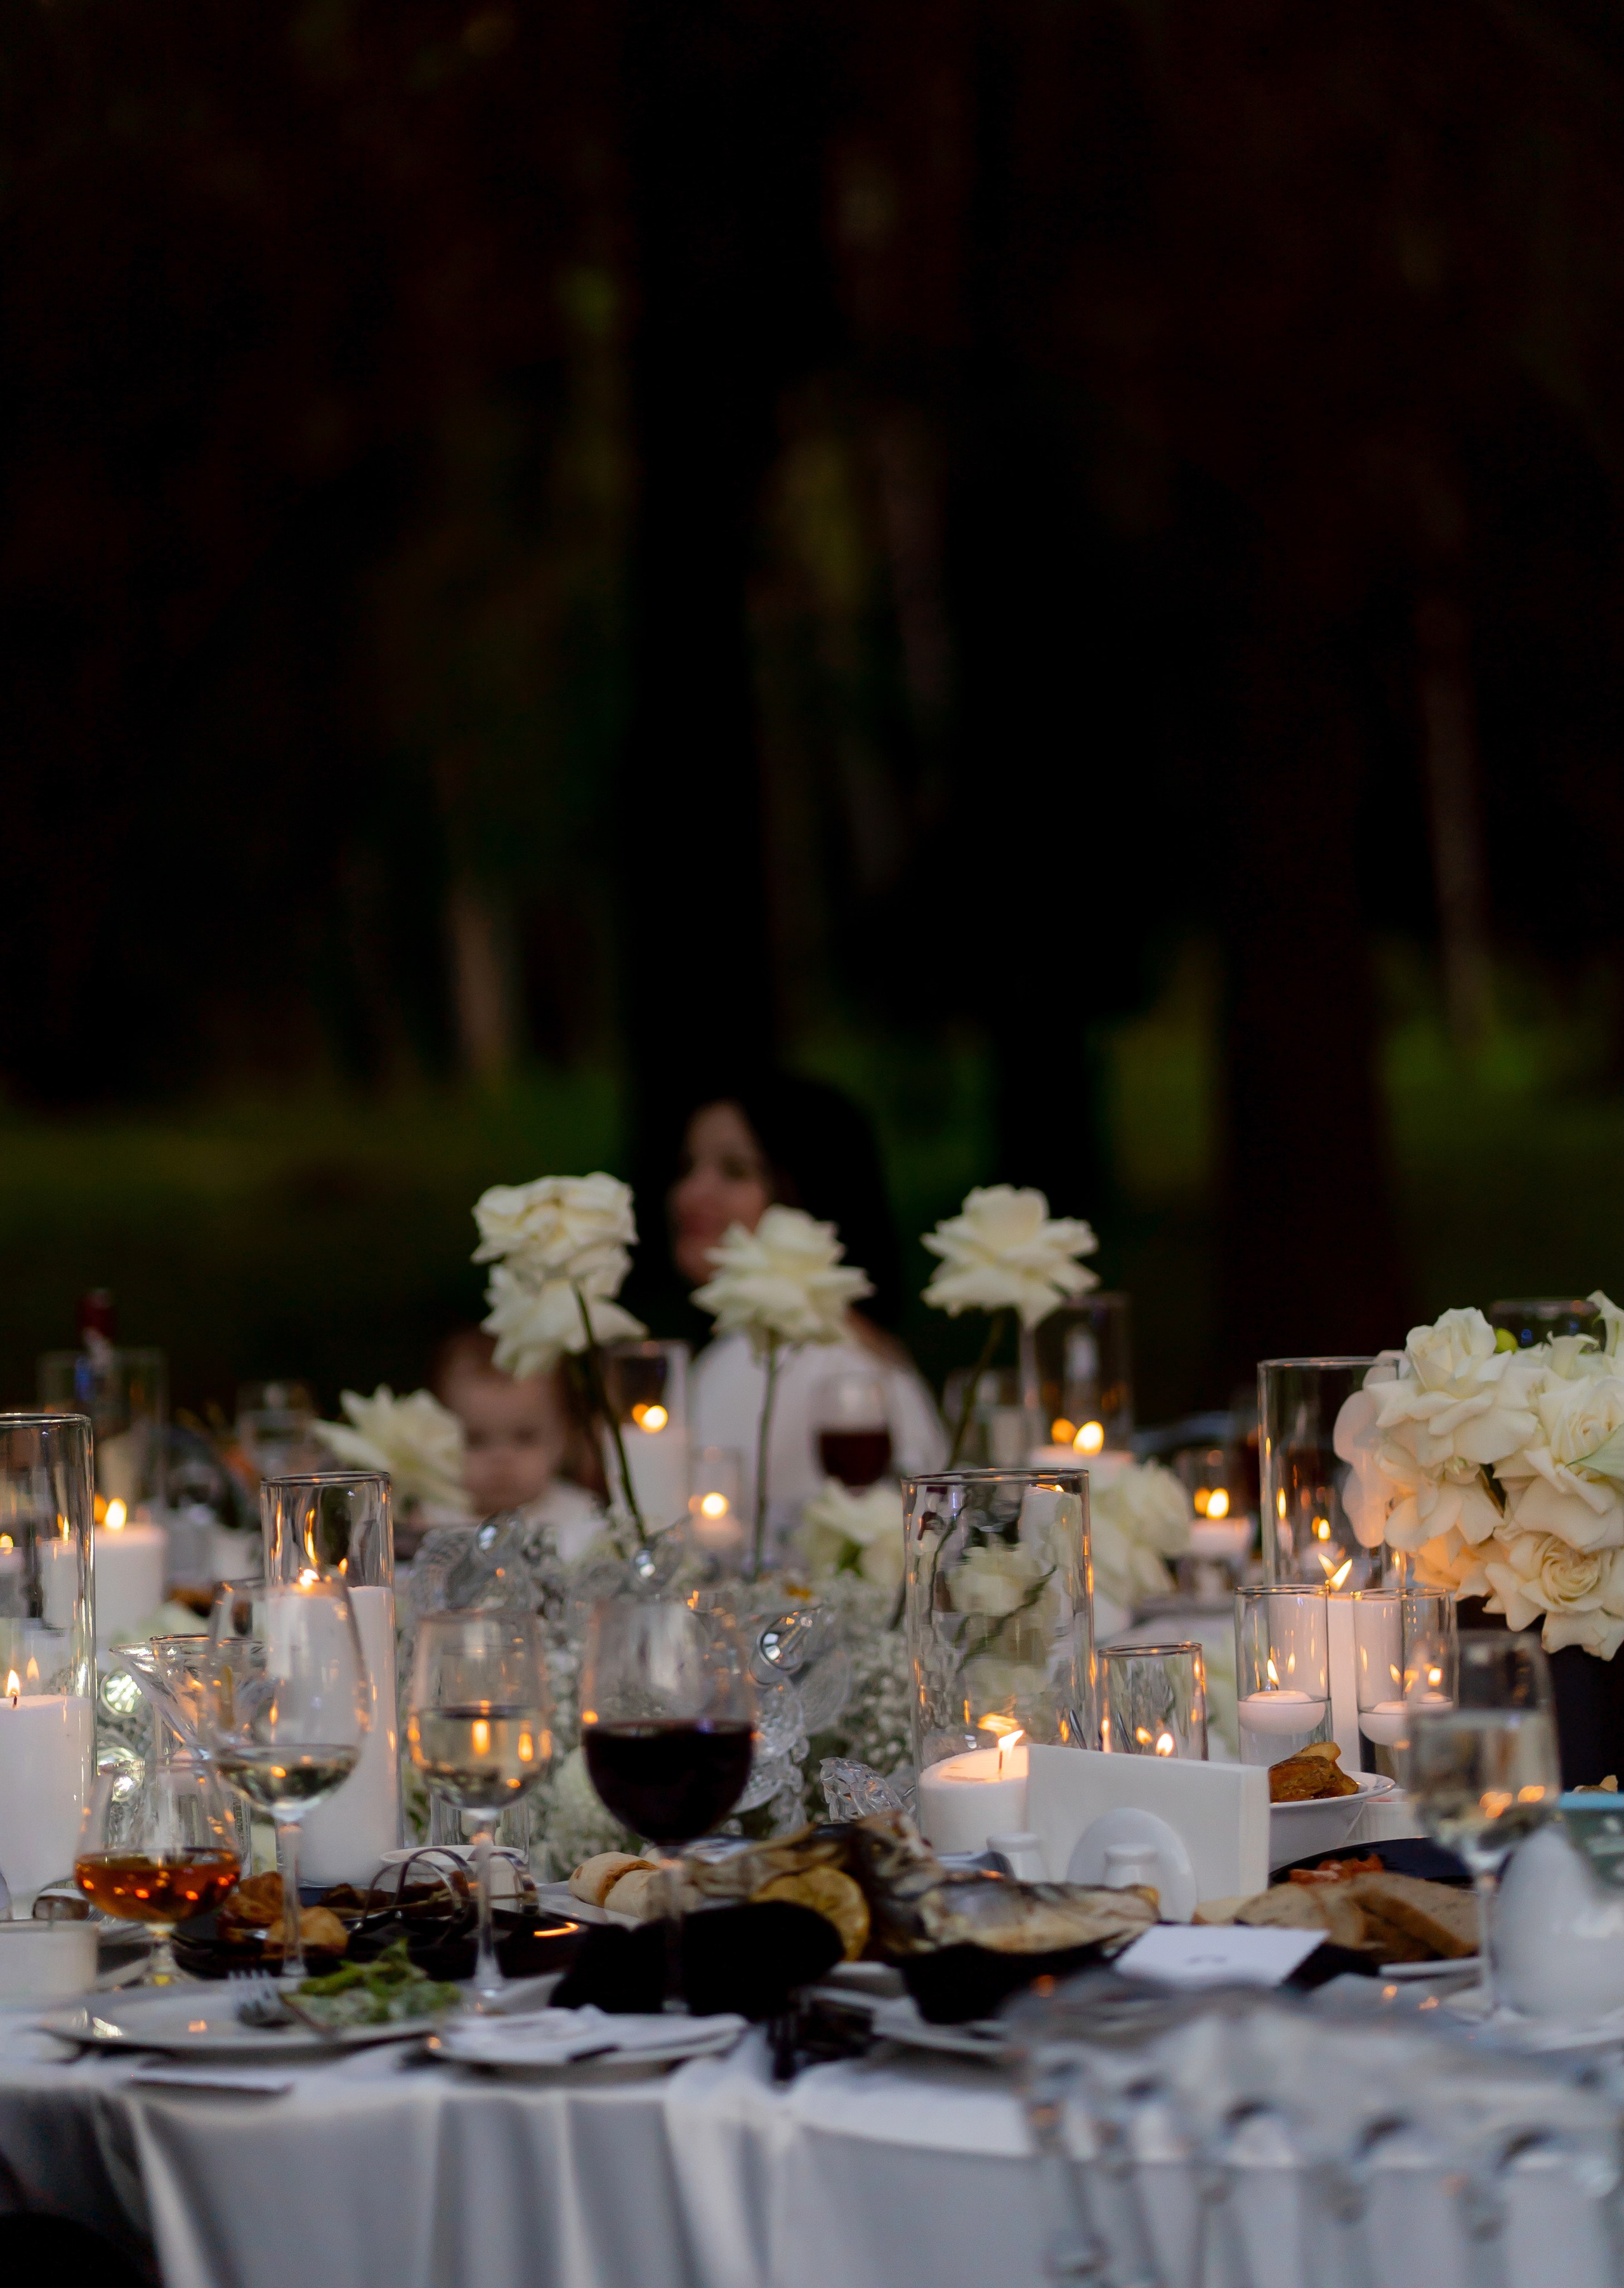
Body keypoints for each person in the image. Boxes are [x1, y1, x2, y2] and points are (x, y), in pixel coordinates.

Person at [665, 1071, 945, 1539]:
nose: (691, 1194)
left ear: (810, 1190)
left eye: (735, 1171)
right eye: (686, 1167)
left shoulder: (786, 1355)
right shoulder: (831, 1340)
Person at [431, 1329, 603, 1563]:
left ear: (564, 1439)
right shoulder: (433, 1520)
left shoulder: (583, 1518)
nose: (501, 1458)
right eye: (475, 1440)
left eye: (524, 1438)